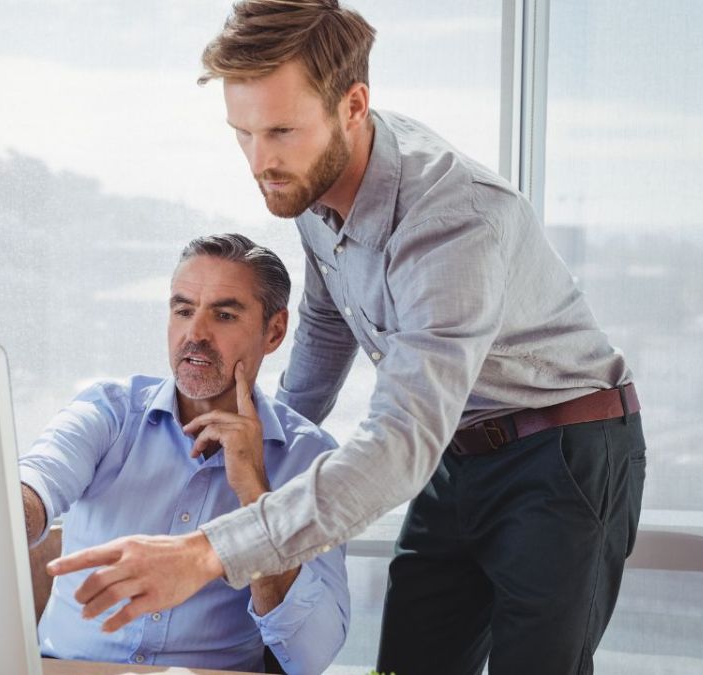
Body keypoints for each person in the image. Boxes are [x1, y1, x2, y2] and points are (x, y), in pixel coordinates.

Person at [48, 3, 647, 674]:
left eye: (280, 130)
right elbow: (328, 322)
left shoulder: (453, 223)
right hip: (455, 449)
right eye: (242, 133)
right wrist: (275, 441)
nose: (260, 161)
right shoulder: (309, 182)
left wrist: (207, 551)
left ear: (353, 104)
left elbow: (397, 442)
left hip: (560, 449)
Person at [21, 233, 350, 674]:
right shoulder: (108, 413)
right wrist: (7, 512)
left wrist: (256, 496)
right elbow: (38, 481)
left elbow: (312, 656)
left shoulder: (311, 461)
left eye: (224, 315)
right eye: (183, 310)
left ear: (273, 332)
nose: (195, 334)